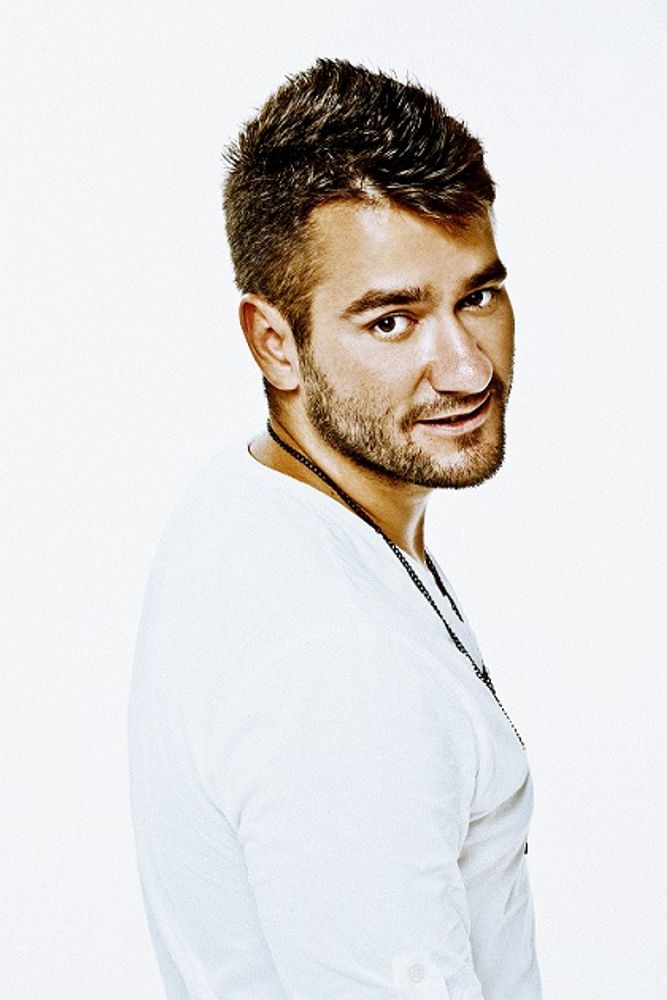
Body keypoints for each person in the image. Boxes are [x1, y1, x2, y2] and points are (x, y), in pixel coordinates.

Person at [129, 58, 541, 1000]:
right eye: (392, 321)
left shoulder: (254, 501)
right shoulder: (339, 664)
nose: (467, 368)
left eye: (476, 297)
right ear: (273, 341)